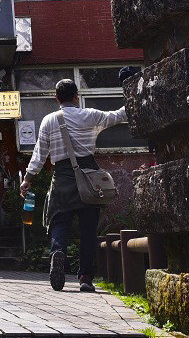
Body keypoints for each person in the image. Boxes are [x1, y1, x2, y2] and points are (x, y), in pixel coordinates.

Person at [20, 78, 127, 293]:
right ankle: (85, 277)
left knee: (59, 222)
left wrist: (27, 179)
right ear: (77, 96)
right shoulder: (90, 115)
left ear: (56, 98)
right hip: (88, 178)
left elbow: (40, 154)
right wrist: (134, 94)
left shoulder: (49, 120)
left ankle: (57, 252)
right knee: (88, 230)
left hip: (62, 178)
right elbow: (117, 116)